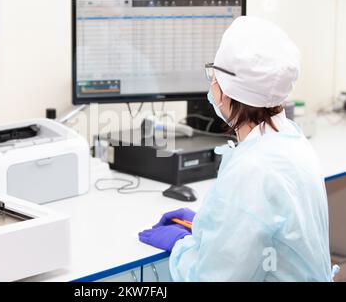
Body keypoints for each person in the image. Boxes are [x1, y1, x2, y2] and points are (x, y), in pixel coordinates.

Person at [139, 16, 336, 281]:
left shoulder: (252, 170)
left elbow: (212, 277)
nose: (212, 85)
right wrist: (206, 224)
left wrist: (182, 246)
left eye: (214, 74)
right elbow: (258, 226)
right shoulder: (291, 138)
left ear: (227, 91)